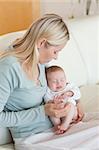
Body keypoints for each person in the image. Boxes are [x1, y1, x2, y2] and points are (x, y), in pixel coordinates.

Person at [0, 14, 84, 149]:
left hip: (56, 129)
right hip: (32, 138)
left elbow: (57, 89)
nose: (56, 57)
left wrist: (75, 104)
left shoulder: (40, 63)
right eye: (55, 51)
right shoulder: (8, 68)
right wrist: (43, 112)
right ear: (41, 43)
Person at [44, 65, 81, 134]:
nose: (59, 83)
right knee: (51, 111)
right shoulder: (48, 91)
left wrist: (70, 93)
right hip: (58, 113)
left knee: (70, 105)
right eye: (54, 81)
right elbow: (46, 100)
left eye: (62, 80)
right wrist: (52, 101)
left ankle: (65, 124)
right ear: (47, 83)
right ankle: (57, 126)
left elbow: (78, 94)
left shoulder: (69, 86)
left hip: (71, 113)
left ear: (66, 79)